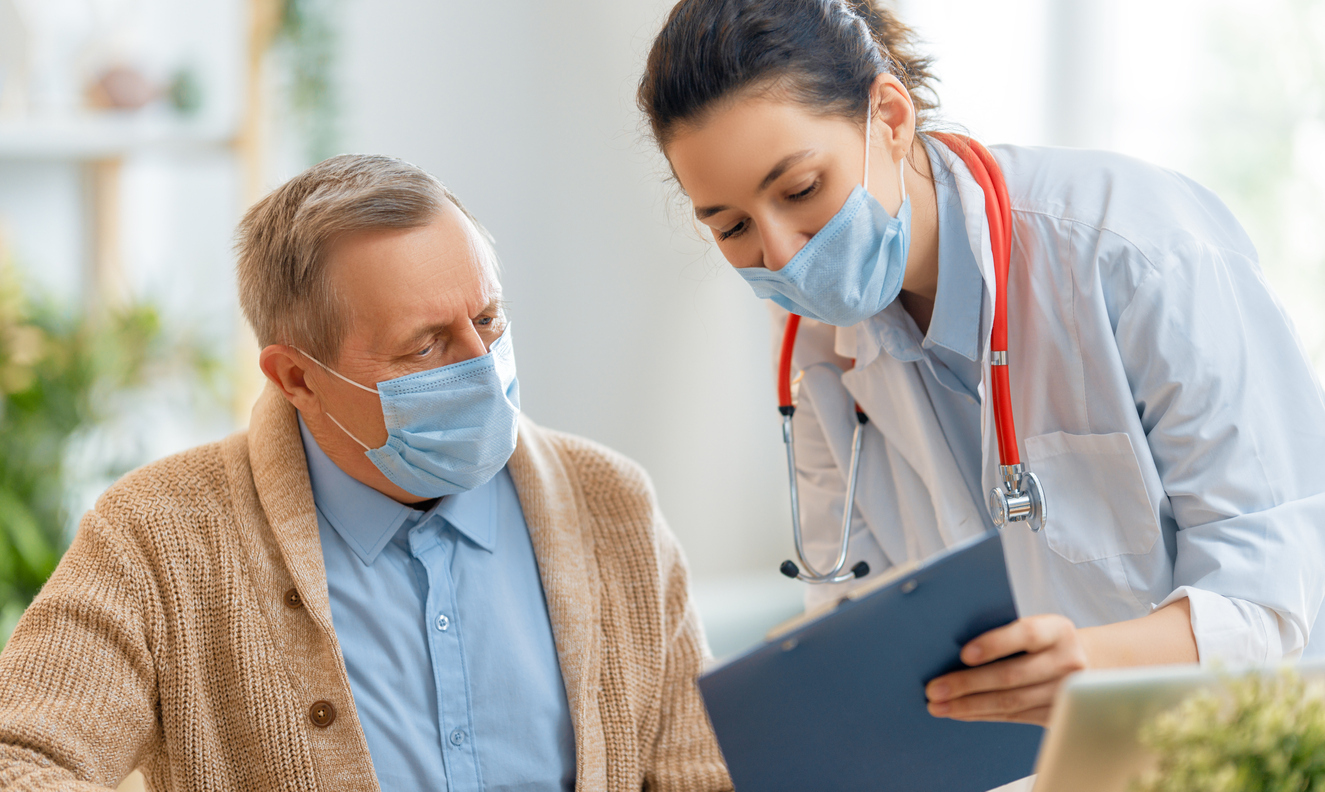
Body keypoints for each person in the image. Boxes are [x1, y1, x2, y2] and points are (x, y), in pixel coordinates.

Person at [636, 0, 1325, 728]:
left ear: (891, 118)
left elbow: (1276, 595)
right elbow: (859, 621)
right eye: (732, 226)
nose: (781, 254)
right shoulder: (815, 354)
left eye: (801, 190)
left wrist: (1089, 665)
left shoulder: (1133, 252)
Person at [0, 155, 731, 792]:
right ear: (297, 378)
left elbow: (707, 774)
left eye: (488, 317)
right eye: (424, 347)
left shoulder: (612, 504)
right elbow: (18, 760)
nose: (479, 362)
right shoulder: (158, 535)